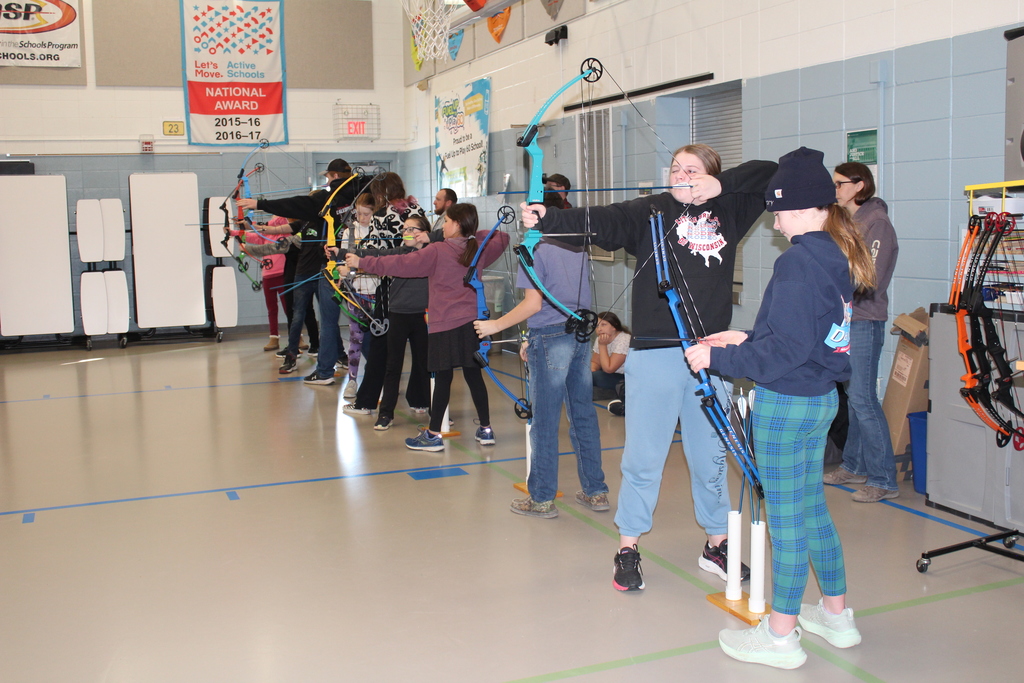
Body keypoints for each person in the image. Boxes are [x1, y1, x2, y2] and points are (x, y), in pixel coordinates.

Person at [521, 144, 777, 591]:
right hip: (656, 354)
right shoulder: (651, 212)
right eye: (676, 168)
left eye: (692, 170)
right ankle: (628, 547)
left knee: (711, 460)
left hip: (711, 357)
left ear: (710, 176)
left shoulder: (731, 209)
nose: (681, 174)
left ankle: (716, 544)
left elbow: (774, 170)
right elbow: (599, 220)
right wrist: (548, 218)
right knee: (644, 460)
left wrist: (722, 185)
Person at [685, 147, 872, 669]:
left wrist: (717, 356)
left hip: (786, 404)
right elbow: (802, 334)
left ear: (803, 206)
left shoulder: (798, 261)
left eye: (778, 207)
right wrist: (742, 335)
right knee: (811, 510)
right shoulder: (835, 254)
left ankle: (781, 636)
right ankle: (836, 615)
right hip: (817, 400)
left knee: (786, 523)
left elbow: (780, 354)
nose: (774, 216)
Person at [346, 203, 508, 450]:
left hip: (444, 324)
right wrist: (469, 235)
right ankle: (486, 429)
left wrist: (361, 261)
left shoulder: (438, 250)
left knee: (442, 378)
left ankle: (433, 435)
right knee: (473, 375)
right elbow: (501, 235)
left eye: (446, 222)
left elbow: (399, 264)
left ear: (456, 224)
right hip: (471, 324)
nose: (442, 226)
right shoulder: (478, 249)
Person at [473, 237, 609, 519]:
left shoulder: (534, 249)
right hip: (580, 332)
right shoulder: (577, 245)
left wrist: (495, 325)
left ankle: (542, 499)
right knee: (582, 414)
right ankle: (596, 492)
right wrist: (530, 339)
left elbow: (534, 304)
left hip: (551, 334)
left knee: (545, 420)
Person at [238, 158, 360, 381]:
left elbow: (286, 227)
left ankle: (337, 359)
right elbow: (281, 233)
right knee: (301, 317)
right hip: (306, 274)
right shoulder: (305, 224)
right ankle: (294, 355)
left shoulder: (330, 217)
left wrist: (259, 207)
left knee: (329, 319)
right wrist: (251, 230)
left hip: (327, 272)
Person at [825, 162, 900, 503]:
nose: (835, 189)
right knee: (853, 399)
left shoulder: (877, 223)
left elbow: (867, 279)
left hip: (864, 320)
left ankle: (884, 479)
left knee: (863, 400)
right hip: (846, 319)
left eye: (840, 184)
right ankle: (854, 465)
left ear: (859, 186)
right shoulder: (851, 223)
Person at [341, 173, 427, 410]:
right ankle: (420, 401)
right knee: (421, 350)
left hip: (392, 288)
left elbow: (375, 247)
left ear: (383, 193)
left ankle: (367, 402)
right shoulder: (416, 209)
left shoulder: (382, 215)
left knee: (380, 349)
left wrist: (350, 257)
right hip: (421, 289)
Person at [341, 193, 380, 399]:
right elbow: (342, 260)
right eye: (358, 213)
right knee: (356, 338)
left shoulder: (381, 231)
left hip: (378, 292)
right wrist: (341, 269)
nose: (362, 218)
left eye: (366, 214)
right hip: (356, 292)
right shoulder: (349, 232)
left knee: (378, 340)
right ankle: (352, 381)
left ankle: (377, 379)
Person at [591, 311, 630, 391]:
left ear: (614, 327)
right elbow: (595, 362)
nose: (599, 329)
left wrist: (602, 345)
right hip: (607, 374)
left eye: (603, 325)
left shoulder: (624, 339)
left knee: (597, 377)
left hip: (623, 377)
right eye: (597, 326)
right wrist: (590, 372)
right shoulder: (600, 338)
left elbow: (609, 369)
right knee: (583, 375)